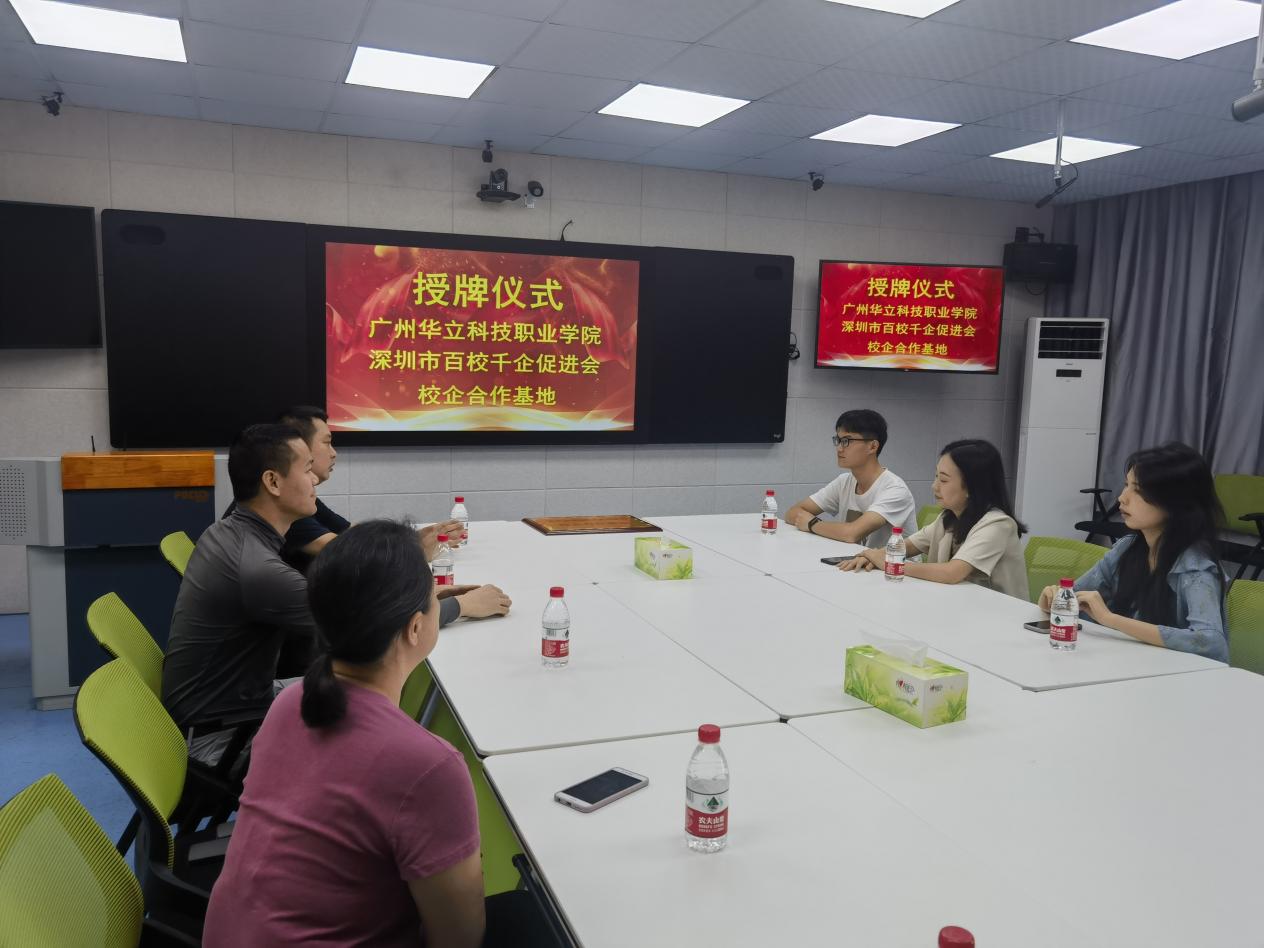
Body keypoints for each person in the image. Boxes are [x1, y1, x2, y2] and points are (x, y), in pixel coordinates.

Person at [203, 520, 552, 948]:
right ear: (415, 628)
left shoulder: (290, 703)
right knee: (533, 916)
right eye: (433, 597)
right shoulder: (428, 766)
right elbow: (459, 938)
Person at [162, 423, 321, 749]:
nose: (315, 479)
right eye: (307, 469)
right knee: (362, 710)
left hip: (223, 713)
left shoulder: (225, 531)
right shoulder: (258, 569)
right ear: (273, 482)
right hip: (220, 741)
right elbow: (363, 625)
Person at [1039, 443, 1228, 661]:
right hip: (1131, 662)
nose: (1122, 498)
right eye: (1126, 485)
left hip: (1178, 674)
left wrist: (1110, 619)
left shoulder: (1195, 566)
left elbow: (1210, 642)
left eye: (1137, 490)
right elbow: (1078, 598)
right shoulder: (1127, 548)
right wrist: (1053, 600)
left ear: (1175, 501)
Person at [840, 438, 1029, 600]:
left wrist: (891, 564)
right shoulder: (948, 518)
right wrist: (871, 556)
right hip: (957, 606)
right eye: (936, 476)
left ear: (972, 487)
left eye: (944, 480)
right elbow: (905, 546)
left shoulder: (998, 524)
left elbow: (952, 573)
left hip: (999, 618)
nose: (934, 486)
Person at [783, 409, 918, 547]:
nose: (839, 448)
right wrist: (810, 523)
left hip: (893, 561)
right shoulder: (844, 481)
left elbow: (852, 534)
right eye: (838, 440)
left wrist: (812, 524)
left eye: (847, 441)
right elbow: (792, 513)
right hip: (855, 558)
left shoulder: (895, 489)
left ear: (872, 446)